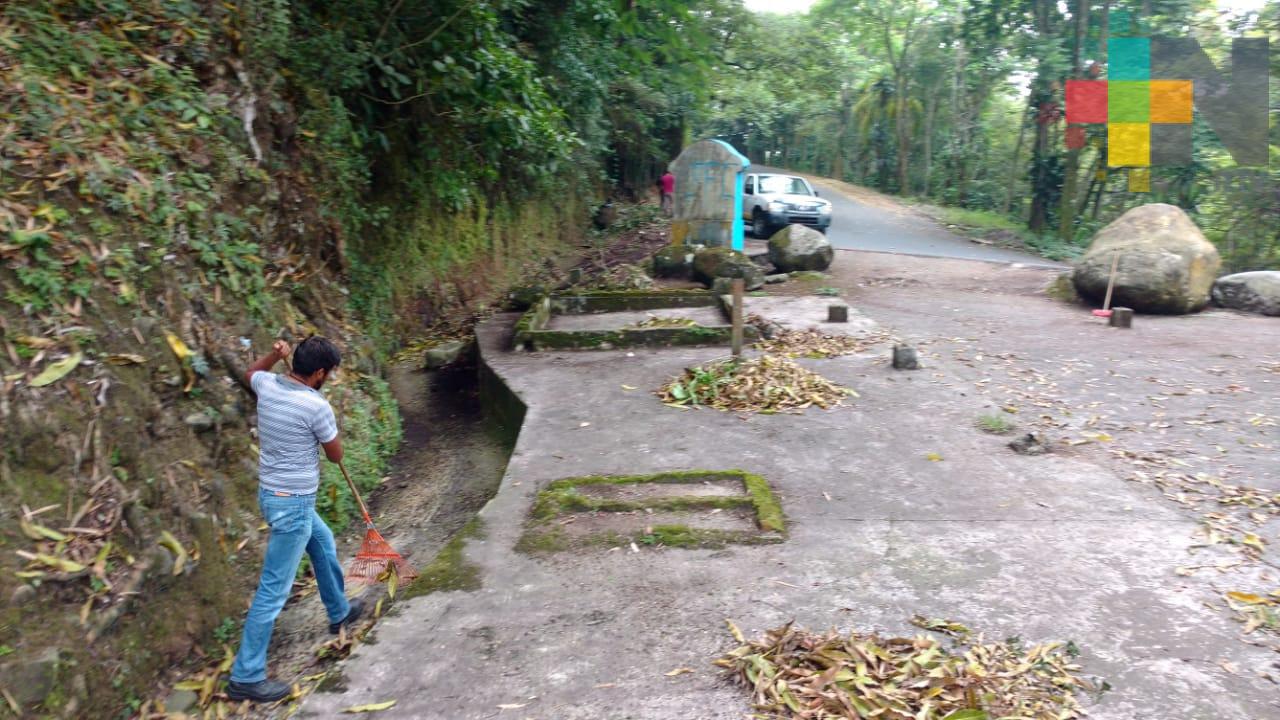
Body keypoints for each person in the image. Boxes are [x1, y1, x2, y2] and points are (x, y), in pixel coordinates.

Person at [226, 337, 364, 703]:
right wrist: (326, 436)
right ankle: (246, 676)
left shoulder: (268, 384)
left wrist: (274, 355)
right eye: (329, 374)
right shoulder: (315, 405)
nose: (329, 379)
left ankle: (339, 612)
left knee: (323, 542)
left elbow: (251, 372)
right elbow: (335, 454)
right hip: (293, 504)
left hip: (273, 495)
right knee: (273, 590)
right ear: (318, 373)